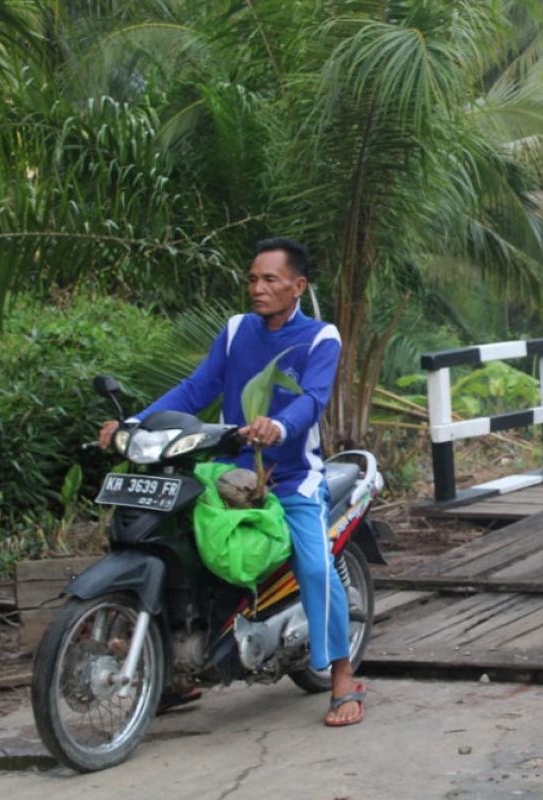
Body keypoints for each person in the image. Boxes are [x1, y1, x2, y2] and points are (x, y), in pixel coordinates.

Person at [98, 237, 366, 726]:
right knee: (175, 540)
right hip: (223, 472)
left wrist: (279, 426)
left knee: (313, 564)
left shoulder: (321, 337)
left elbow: (313, 398)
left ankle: (343, 675)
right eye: (252, 279)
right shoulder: (237, 329)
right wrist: (134, 423)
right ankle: (176, 667)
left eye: (270, 280)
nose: (257, 289)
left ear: (297, 286)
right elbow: (197, 387)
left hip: (289, 477)